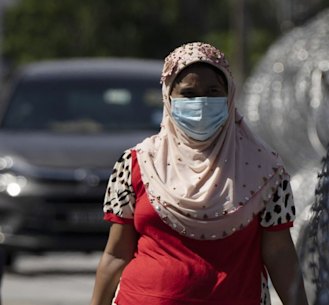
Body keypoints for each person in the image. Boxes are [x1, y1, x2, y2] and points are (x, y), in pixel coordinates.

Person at [90, 42, 309, 305]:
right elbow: (116, 254)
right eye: (189, 94)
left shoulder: (266, 171)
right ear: (169, 98)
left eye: (213, 92)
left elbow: (280, 254)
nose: (201, 102)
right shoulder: (136, 163)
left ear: (229, 96)